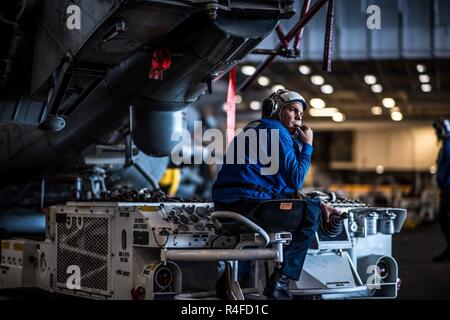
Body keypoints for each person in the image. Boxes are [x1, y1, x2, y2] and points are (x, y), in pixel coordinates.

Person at [212, 89, 339, 300]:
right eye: (293, 110)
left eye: (301, 113)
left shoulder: (250, 131)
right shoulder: (277, 132)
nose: (299, 117)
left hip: (227, 208)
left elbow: (280, 187)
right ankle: (281, 281)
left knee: (250, 237)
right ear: (275, 110)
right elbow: (296, 179)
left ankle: (229, 285)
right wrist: (307, 145)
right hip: (250, 208)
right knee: (313, 211)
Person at [432, 118, 450, 262]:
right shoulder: (445, 146)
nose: (436, 133)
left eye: (438, 130)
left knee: (445, 218)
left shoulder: (449, 145)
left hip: (449, 188)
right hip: (445, 188)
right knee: (444, 218)